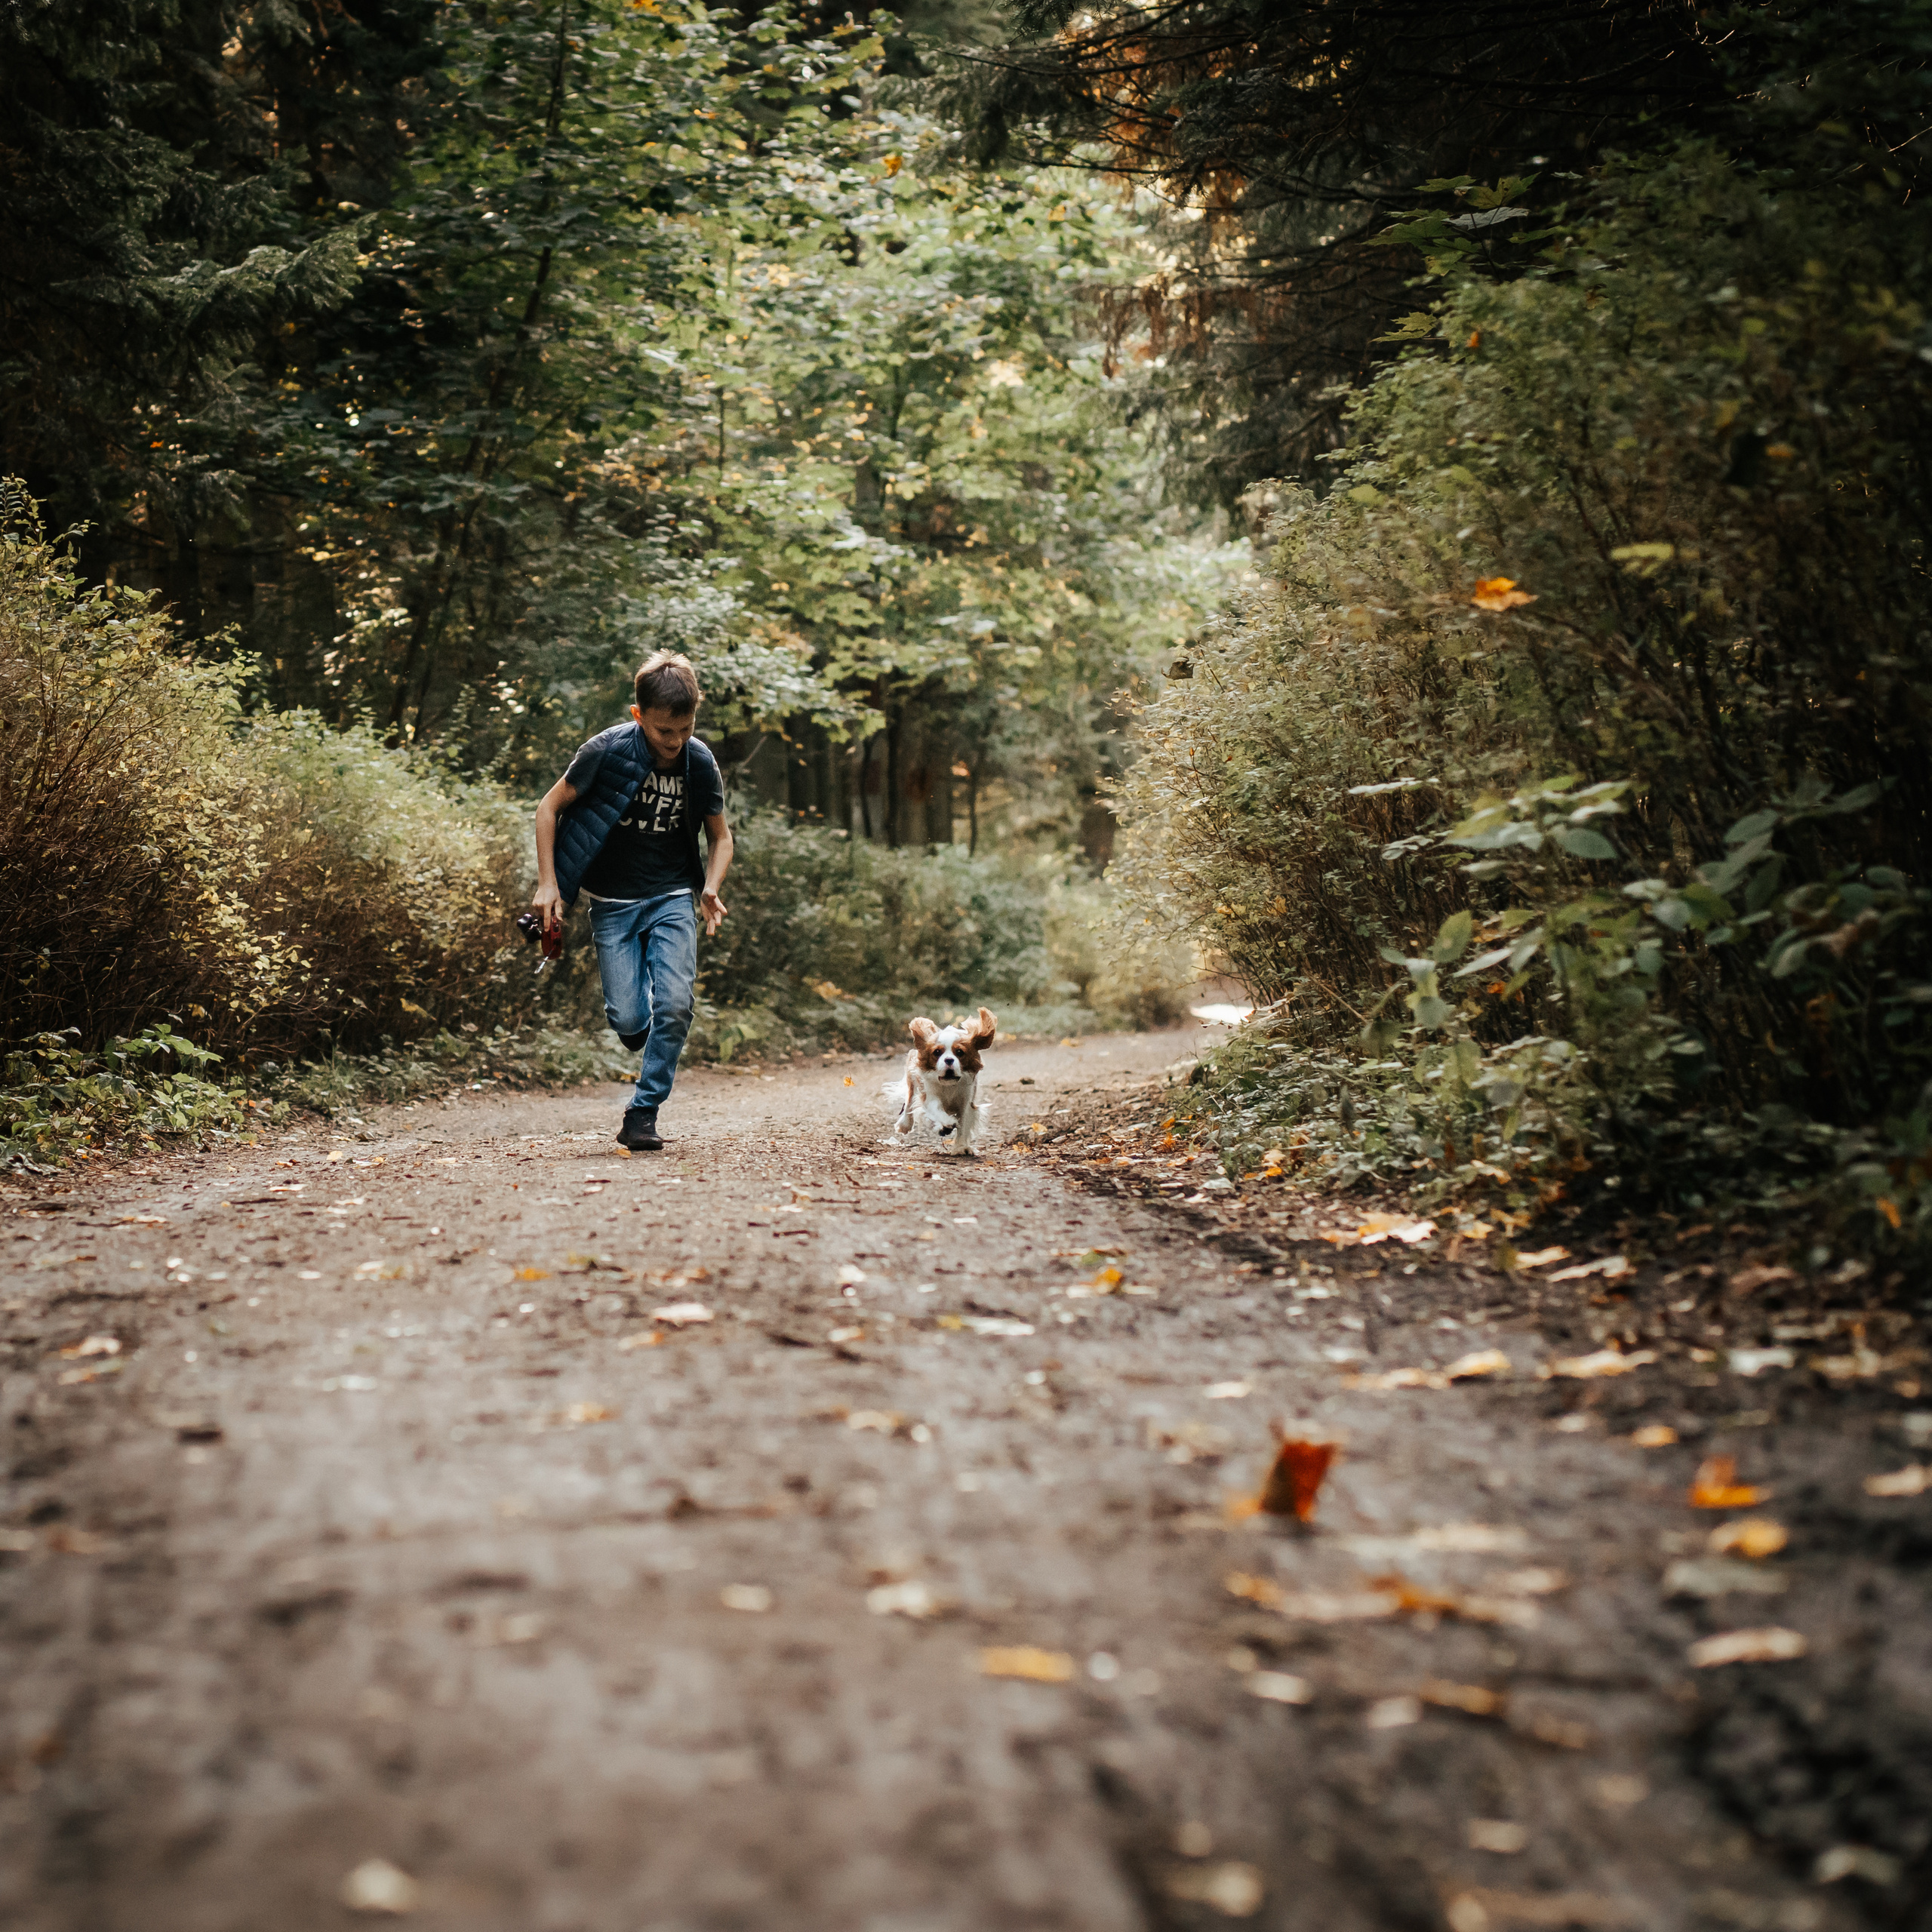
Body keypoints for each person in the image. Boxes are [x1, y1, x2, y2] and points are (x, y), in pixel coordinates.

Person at [531, 651, 733, 1151]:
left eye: (685, 729)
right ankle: (641, 1025)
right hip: (612, 902)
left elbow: (721, 837)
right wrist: (548, 884)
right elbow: (548, 808)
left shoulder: (699, 761)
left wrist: (710, 885)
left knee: (676, 1005)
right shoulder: (606, 751)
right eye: (665, 731)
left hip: (671, 895)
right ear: (639, 715)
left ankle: (643, 1111)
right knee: (627, 1019)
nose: (675, 741)